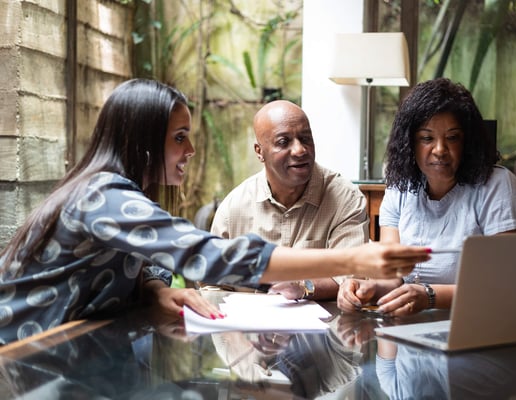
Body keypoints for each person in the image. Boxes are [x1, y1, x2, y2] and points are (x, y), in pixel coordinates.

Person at [0, 78, 431, 345]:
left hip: (70, 347)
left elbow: (145, 266)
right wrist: (353, 259)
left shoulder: (118, 193)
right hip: (24, 358)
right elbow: (212, 257)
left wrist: (154, 290)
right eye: (180, 137)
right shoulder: (103, 196)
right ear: (146, 141)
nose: (190, 150)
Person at [337, 77, 516, 317]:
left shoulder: (498, 186)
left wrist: (429, 296)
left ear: (468, 142)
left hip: (479, 324)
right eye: (427, 138)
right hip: (411, 328)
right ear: (410, 143)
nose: (440, 149)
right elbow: (394, 277)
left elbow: (506, 286)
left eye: (452, 138)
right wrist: (369, 288)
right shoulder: (400, 187)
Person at [210, 100, 369, 300]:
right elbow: (213, 285)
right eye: (284, 142)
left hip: (324, 327)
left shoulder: (345, 199)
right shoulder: (234, 209)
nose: (300, 150)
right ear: (260, 152)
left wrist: (304, 287)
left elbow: (351, 279)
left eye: (305, 139)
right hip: (249, 328)